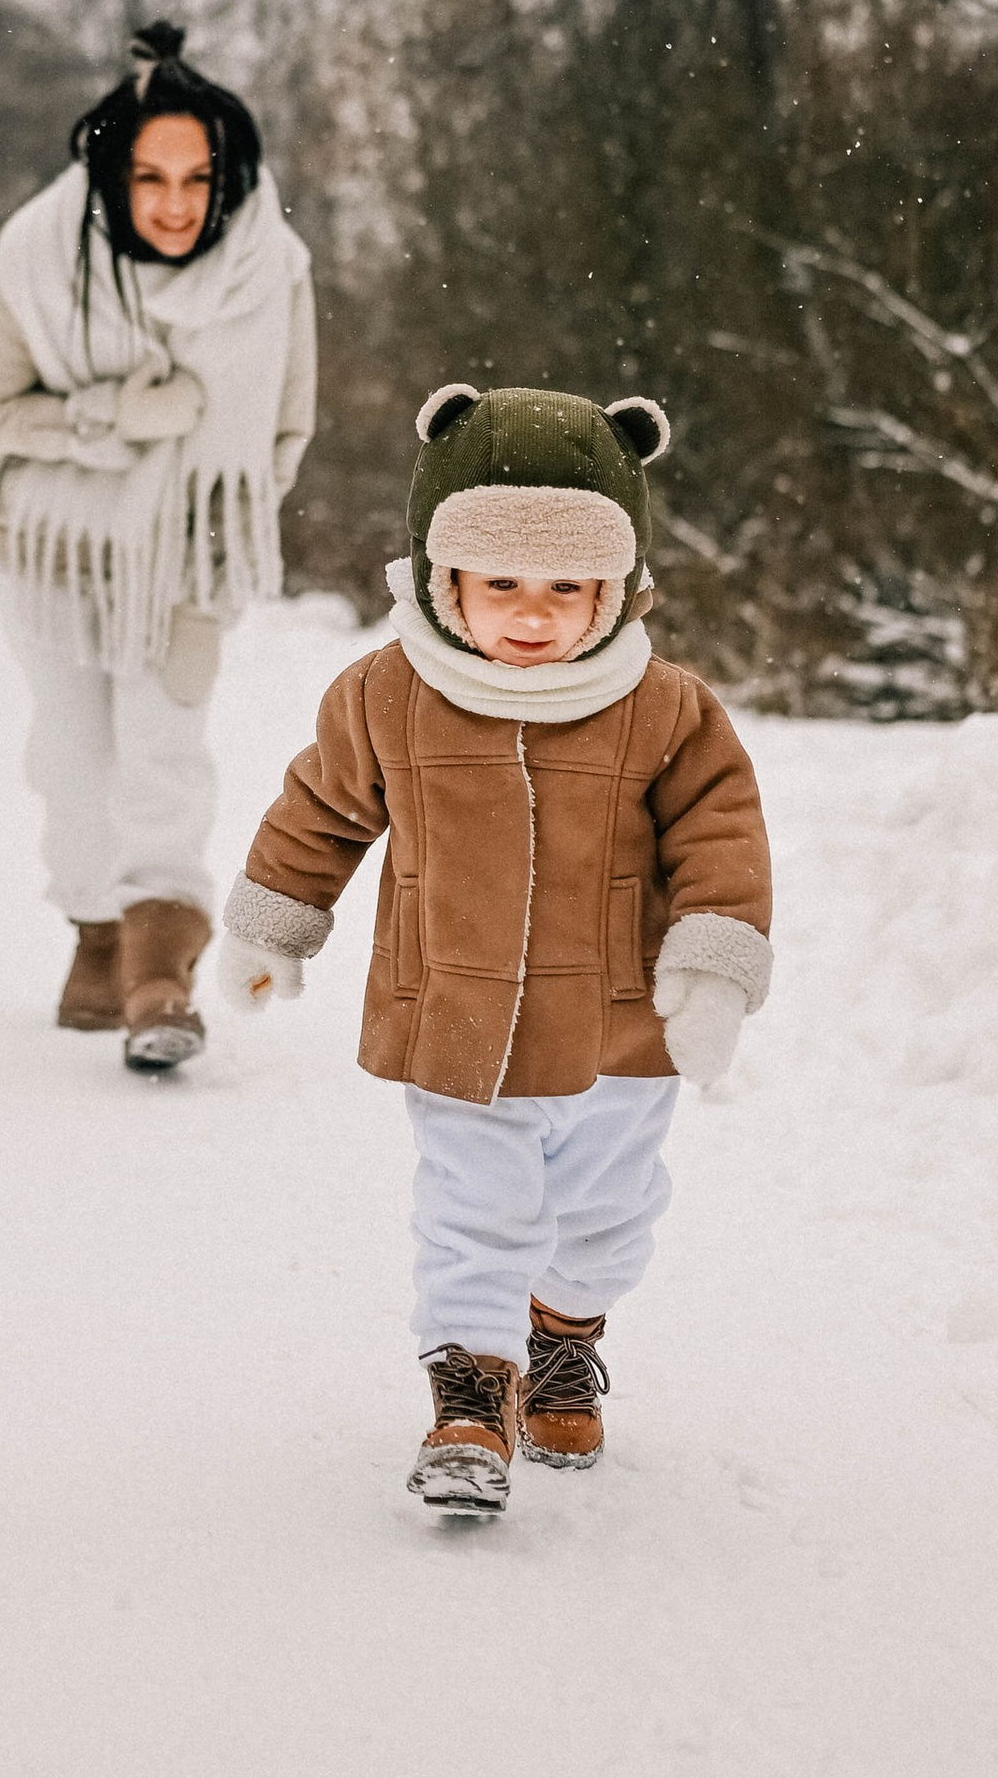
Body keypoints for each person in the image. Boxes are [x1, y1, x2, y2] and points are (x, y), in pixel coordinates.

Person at [214, 381, 774, 1514]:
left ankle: (565, 1333)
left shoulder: (665, 708)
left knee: (608, 1212)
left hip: (619, 1022)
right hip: (458, 1014)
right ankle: (469, 1397)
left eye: (567, 586)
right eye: (501, 583)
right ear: (440, 577)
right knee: (475, 1207)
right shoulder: (389, 694)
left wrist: (711, 963)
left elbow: (722, 831)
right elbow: (322, 809)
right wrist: (277, 919)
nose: (533, 613)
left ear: (614, 585)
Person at [0, 20, 316, 1072]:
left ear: (227, 176)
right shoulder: (36, 252)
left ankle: (161, 966)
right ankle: (95, 932)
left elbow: (288, 425)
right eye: (148, 176)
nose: (173, 202)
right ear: (109, 170)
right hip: (53, 550)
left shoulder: (271, 265)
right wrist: (116, 419)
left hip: (194, 554)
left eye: (197, 178)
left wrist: (197, 522)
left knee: (163, 753)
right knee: (74, 762)